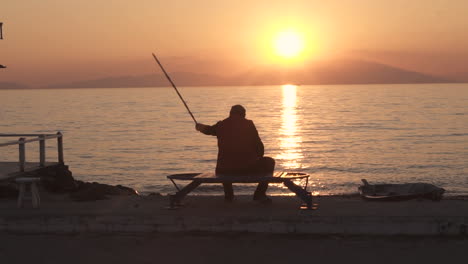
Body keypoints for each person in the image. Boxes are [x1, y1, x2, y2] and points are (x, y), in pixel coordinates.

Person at [195, 105, 275, 202]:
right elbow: (259, 147)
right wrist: (257, 157)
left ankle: (229, 195)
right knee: (270, 162)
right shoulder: (248, 124)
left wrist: (199, 127)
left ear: (230, 114)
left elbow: (208, 130)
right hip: (245, 168)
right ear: (243, 114)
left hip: (223, 170)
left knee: (225, 163)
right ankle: (259, 194)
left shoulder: (221, 125)